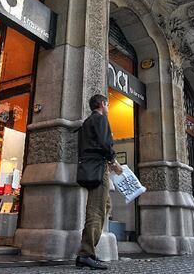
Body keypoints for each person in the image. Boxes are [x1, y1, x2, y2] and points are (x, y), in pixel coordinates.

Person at [75, 94, 123, 270]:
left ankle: (86, 252)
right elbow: (104, 143)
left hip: (90, 167)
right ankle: (85, 254)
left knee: (105, 206)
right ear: (103, 104)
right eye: (108, 104)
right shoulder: (100, 119)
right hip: (98, 168)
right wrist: (113, 162)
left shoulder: (87, 122)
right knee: (96, 211)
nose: (108, 108)